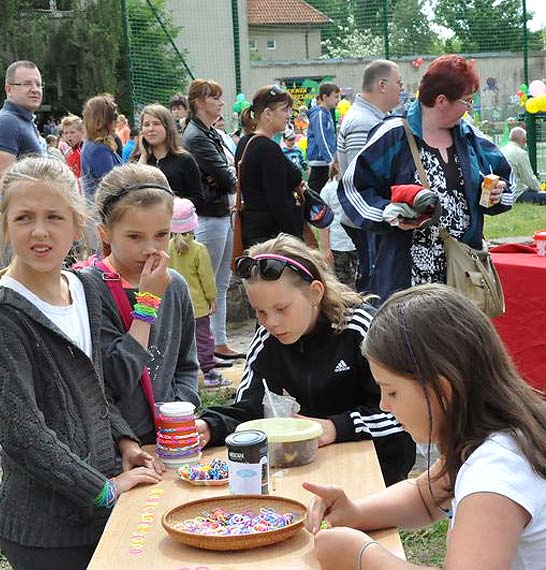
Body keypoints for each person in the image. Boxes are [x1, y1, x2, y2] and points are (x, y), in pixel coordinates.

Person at [0, 157, 161, 570]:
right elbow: (23, 436)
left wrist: (125, 443)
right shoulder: (2, 318)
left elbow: (95, 387)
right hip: (47, 533)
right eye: (24, 217)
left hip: (104, 510)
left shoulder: (84, 288)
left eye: (54, 217)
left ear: (77, 225)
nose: (40, 231)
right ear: (5, 225)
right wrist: (104, 489)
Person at [304, 283, 546, 570]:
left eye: (392, 391)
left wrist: (362, 556)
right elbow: (425, 496)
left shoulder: (495, 474)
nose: (383, 405)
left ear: (442, 389)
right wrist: (355, 512)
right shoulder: (492, 433)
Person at [197, 234, 416, 487]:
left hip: (377, 469)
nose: (271, 322)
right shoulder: (266, 340)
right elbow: (250, 409)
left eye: (281, 309)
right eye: (260, 312)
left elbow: (402, 414)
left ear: (315, 293)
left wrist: (336, 427)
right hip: (309, 470)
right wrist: (211, 426)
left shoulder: (362, 331)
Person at [339, 55, 514, 303]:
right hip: (407, 279)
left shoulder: (469, 136)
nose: (469, 108)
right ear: (441, 101)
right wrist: (388, 213)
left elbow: (506, 177)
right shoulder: (394, 135)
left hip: (462, 274)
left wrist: (497, 194)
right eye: (467, 101)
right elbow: (352, 188)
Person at [82, 163, 200, 444]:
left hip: (168, 435)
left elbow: (186, 365)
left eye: (161, 235)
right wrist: (147, 304)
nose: (150, 248)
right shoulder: (89, 288)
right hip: (116, 444)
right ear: (105, 233)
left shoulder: (176, 286)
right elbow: (116, 378)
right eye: (135, 237)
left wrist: (178, 411)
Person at [182, 79, 243, 360]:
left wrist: (228, 177)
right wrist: (227, 178)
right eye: (214, 97)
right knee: (205, 283)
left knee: (220, 281)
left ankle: (219, 341)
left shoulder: (212, 133)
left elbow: (229, 170)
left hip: (223, 211)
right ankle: (205, 348)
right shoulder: (195, 135)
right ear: (199, 102)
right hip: (209, 215)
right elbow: (226, 176)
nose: (221, 102)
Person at [337, 60, 403, 291]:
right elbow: (362, 181)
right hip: (367, 218)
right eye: (399, 83)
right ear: (382, 85)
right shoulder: (363, 123)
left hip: (369, 217)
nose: (402, 89)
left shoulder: (368, 118)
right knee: (373, 283)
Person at [167, 197, 232, 388]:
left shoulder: (167, 248)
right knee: (203, 339)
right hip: (198, 306)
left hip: (177, 305)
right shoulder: (198, 249)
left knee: (178, 340)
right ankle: (209, 373)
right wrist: (212, 299)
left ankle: (179, 374)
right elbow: (207, 278)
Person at [235, 85, 304, 248]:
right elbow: (277, 201)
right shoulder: (267, 148)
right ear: (268, 113)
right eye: (284, 110)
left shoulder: (246, 142)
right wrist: (296, 241)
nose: (289, 115)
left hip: (254, 231)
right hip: (272, 238)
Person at [0, 60, 44, 191]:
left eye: (38, 84)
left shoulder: (24, 120)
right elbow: (3, 181)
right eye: (27, 84)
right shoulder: (6, 123)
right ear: (9, 89)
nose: (35, 90)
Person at [136, 104, 203, 208]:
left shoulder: (184, 159)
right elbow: (133, 192)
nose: (151, 129)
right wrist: (144, 156)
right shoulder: (136, 161)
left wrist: (175, 203)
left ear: (167, 127)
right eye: (146, 124)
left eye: (156, 123)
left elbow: (198, 198)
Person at [320, 160, 358, 288]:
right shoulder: (328, 190)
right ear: (337, 166)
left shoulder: (356, 186)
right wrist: (325, 248)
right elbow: (323, 222)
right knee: (342, 281)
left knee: (361, 277)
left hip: (356, 243)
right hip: (337, 243)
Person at [80, 94, 123, 203]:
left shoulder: (96, 145)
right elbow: (114, 187)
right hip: (103, 213)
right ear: (102, 120)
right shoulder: (98, 150)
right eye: (113, 116)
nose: (117, 120)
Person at [307, 82, 340, 194]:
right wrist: (331, 160)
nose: (338, 100)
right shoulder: (319, 114)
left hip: (325, 161)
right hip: (320, 162)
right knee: (317, 196)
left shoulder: (327, 113)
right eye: (335, 97)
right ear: (325, 97)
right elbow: (322, 138)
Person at [501, 126, 546, 205]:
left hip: (502, 194)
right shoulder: (520, 153)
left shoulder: (501, 150)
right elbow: (528, 178)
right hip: (516, 194)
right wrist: (540, 189)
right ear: (523, 140)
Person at [60, 114, 84, 179]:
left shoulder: (85, 151)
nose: (68, 136)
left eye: (72, 132)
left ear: (82, 132)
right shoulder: (68, 152)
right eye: (66, 133)